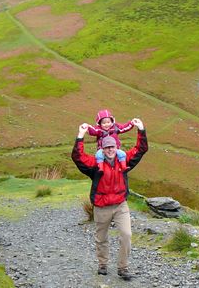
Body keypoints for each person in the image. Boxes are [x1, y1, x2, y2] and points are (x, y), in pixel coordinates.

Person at [72, 118, 148, 281]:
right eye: (107, 147)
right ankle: (102, 264)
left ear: (116, 147)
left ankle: (123, 267)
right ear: (102, 149)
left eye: (112, 147)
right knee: (101, 238)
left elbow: (141, 149)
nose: (110, 150)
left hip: (120, 205)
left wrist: (141, 129)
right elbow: (78, 157)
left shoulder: (124, 161)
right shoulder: (95, 165)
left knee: (126, 235)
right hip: (101, 206)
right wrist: (80, 136)